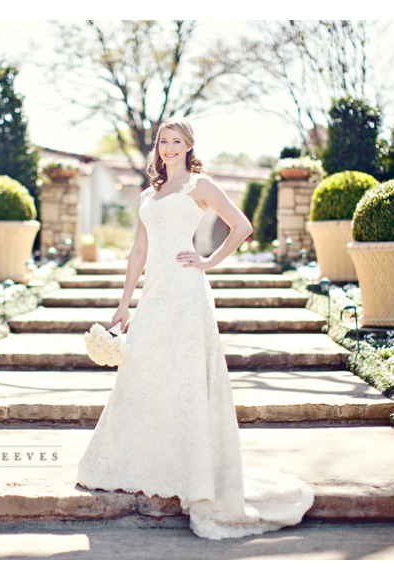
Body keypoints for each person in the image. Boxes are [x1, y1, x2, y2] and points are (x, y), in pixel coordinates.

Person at [77, 118, 314, 540]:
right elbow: (137, 251)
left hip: (187, 292)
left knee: (186, 377)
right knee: (145, 373)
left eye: (177, 142)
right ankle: (149, 465)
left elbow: (242, 226)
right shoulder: (150, 194)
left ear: (189, 147)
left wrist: (207, 261)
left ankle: (195, 476)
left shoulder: (199, 186)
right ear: (158, 148)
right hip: (154, 296)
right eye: (163, 142)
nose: (169, 148)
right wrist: (123, 303)